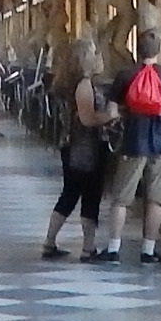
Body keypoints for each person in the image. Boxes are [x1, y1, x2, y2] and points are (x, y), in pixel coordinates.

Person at [91, 27, 161, 265]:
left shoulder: (125, 75)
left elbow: (111, 111)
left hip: (133, 142)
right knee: (156, 198)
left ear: (137, 50)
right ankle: (148, 251)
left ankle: (113, 248)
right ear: (159, 51)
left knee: (121, 197)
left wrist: (118, 117)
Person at [41, 44, 113, 260]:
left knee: (71, 193)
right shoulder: (83, 85)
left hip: (73, 145)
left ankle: (50, 242)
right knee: (89, 195)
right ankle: (87, 248)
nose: (98, 56)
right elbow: (87, 119)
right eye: (94, 53)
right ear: (85, 59)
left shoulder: (71, 82)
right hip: (85, 146)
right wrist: (110, 116)